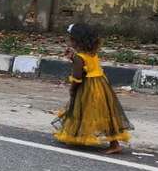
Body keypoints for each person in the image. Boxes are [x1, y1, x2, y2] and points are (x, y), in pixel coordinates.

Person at [52, 23, 133, 154]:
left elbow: (77, 77)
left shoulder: (79, 57)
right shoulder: (92, 53)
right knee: (105, 114)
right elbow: (87, 67)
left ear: (76, 41)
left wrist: (72, 89)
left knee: (80, 111)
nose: (69, 41)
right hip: (101, 86)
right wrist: (73, 58)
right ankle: (114, 143)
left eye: (70, 39)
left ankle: (75, 136)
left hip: (87, 88)